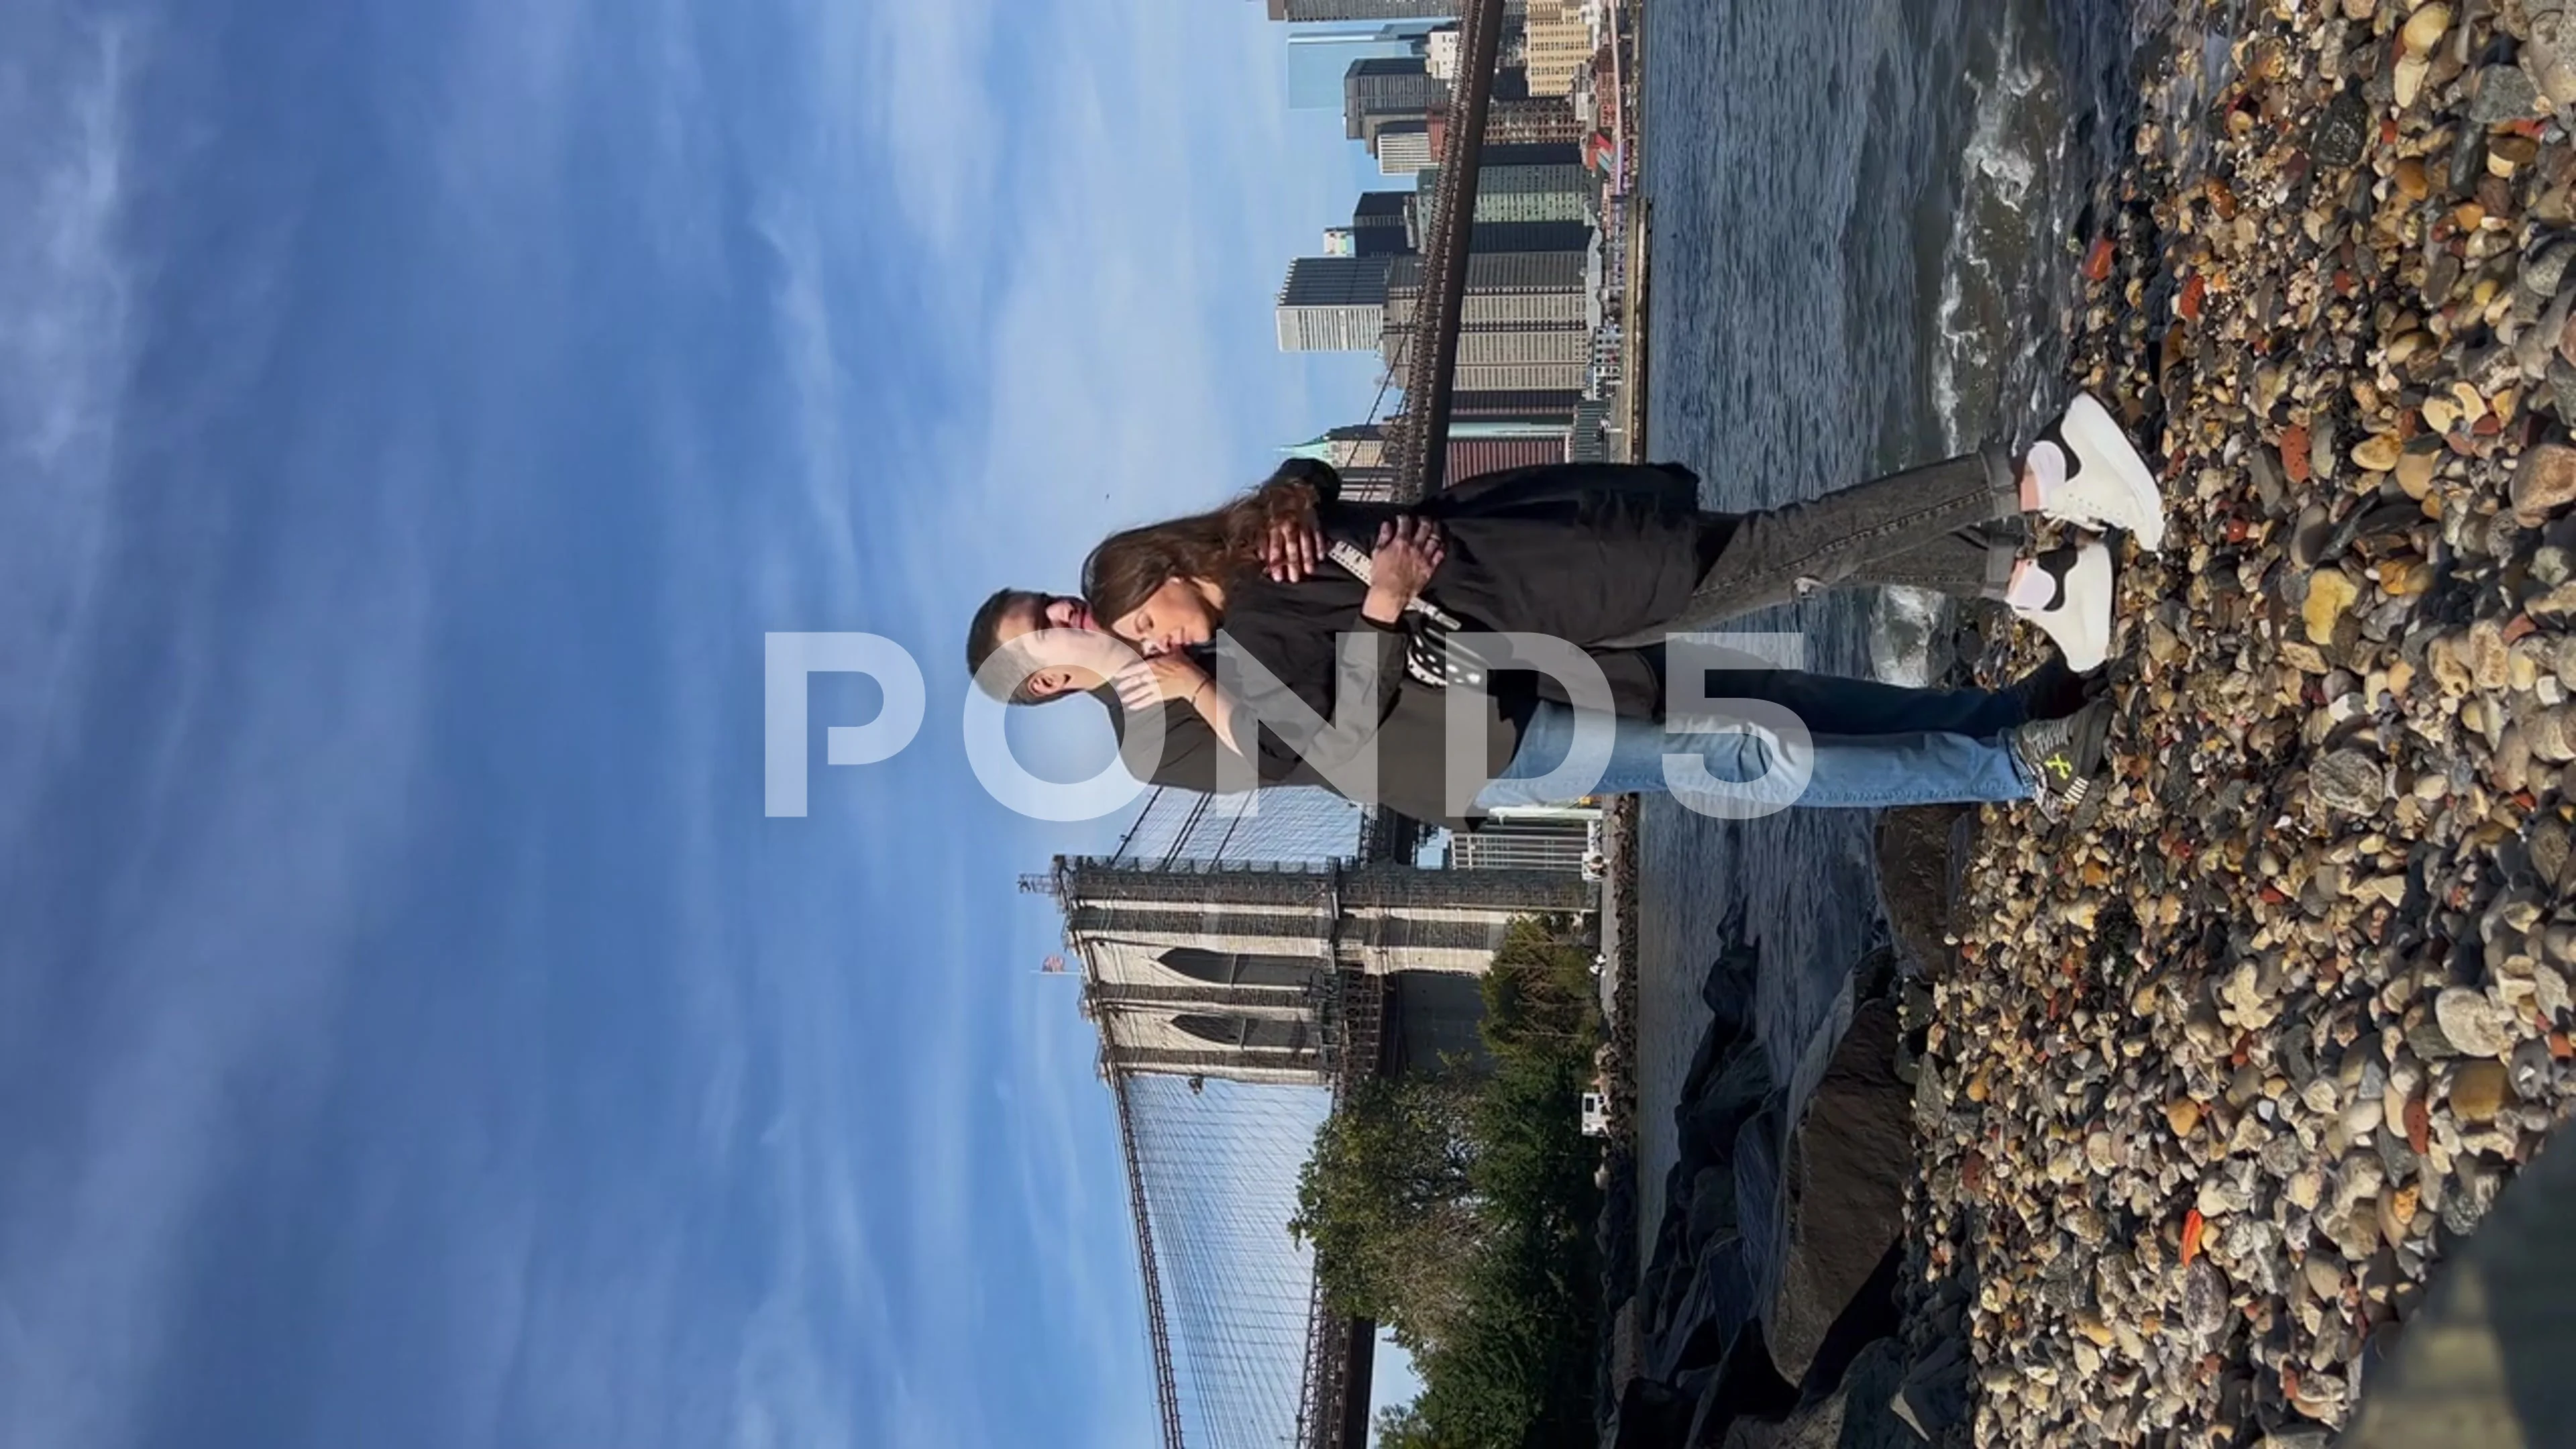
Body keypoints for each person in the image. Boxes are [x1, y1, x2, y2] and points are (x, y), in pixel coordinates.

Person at [1065, 394, 2161, 828]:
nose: (1137, 640)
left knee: (1771, 676)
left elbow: (1319, 479)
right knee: (1753, 738)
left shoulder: (1257, 551)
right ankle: (2023, 747)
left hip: (1531, 631)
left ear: (1150, 567)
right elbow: (1315, 746)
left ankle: (2013, 678)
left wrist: (1297, 491)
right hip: (1487, 735)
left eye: (1121, 619)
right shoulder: (1158, 728)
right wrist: (1380, 607)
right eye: (1082, 643)